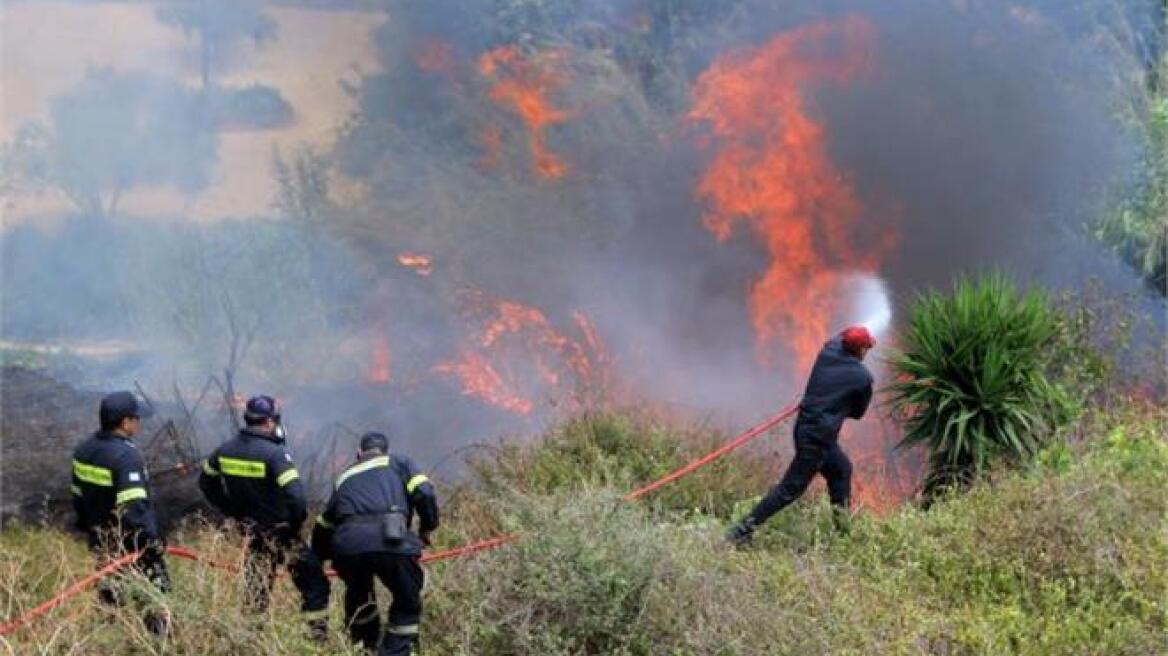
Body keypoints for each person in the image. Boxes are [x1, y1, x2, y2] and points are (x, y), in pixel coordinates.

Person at [726, 326, 876, 546]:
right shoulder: (862, 378)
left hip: (807, 430)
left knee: (841, 469)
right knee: (790, 489)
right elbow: (857, 413)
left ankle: (842, 533)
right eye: (867, 347)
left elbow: (841, 335)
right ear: (860, 349)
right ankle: (740, 532)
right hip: (818, 439)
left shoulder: (829, 351)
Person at [198, 395, 330, 639]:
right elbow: (297, 499)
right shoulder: (275, 454)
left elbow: (205, 482)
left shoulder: (224, 450)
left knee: (255, 592)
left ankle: (249, 640)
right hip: (281, 532)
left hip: (252, 532)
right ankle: (317, 639)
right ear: (269, 422)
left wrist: (231, 511)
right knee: (315, 583)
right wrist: (294, 523)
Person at [311, 431, 439, 656]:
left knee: (359, 595)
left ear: (359, 454)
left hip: (347, 547)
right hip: (391, 542)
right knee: (407, 600)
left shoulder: (344, 476)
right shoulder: (399, 462)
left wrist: (318, 558)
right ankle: (394, 652)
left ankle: (363, 647)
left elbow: (324, 522)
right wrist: (426, 528)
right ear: (384, 451)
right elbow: (425, 493)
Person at [72, 390, 171, 635]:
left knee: (111, 599)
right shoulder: (127, 456)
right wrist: (151, 542)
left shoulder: (83, 450)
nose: (138, 424)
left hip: (102, 541)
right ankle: (158, 646)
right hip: (133, 546)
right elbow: (134, 506)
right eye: (136, 419)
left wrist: (91, 529)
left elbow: (78, 497)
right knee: (155, 599)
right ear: (125, 422)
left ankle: (109, 643)